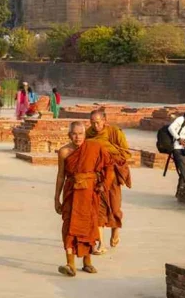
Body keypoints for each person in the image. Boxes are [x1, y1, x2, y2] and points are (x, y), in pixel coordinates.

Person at [54, 121, 114, 277]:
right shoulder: (64, 152)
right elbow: (61, 176)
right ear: (69, 135)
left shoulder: (94, 147)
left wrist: (104, 184)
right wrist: (56, 198)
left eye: (80, 133)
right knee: (69, 227)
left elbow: (109, 165)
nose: (77, 137)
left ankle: (87, 262)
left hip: (89, 192)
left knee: (89, 225)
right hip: (71, 192)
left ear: (85, 134)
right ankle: (70, 264)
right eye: (74, 134)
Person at [86, 109, 132, 252]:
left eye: (98, 122)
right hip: (96, 175)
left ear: (104, 121)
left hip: (112, 175)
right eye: (92, 123)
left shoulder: (114, 132)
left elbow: (126, 154)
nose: (95, 126)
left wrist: (107, 154)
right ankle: (101, 244)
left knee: (115, 207)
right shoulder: (88, 134)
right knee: (98, 209)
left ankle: (115, 230)